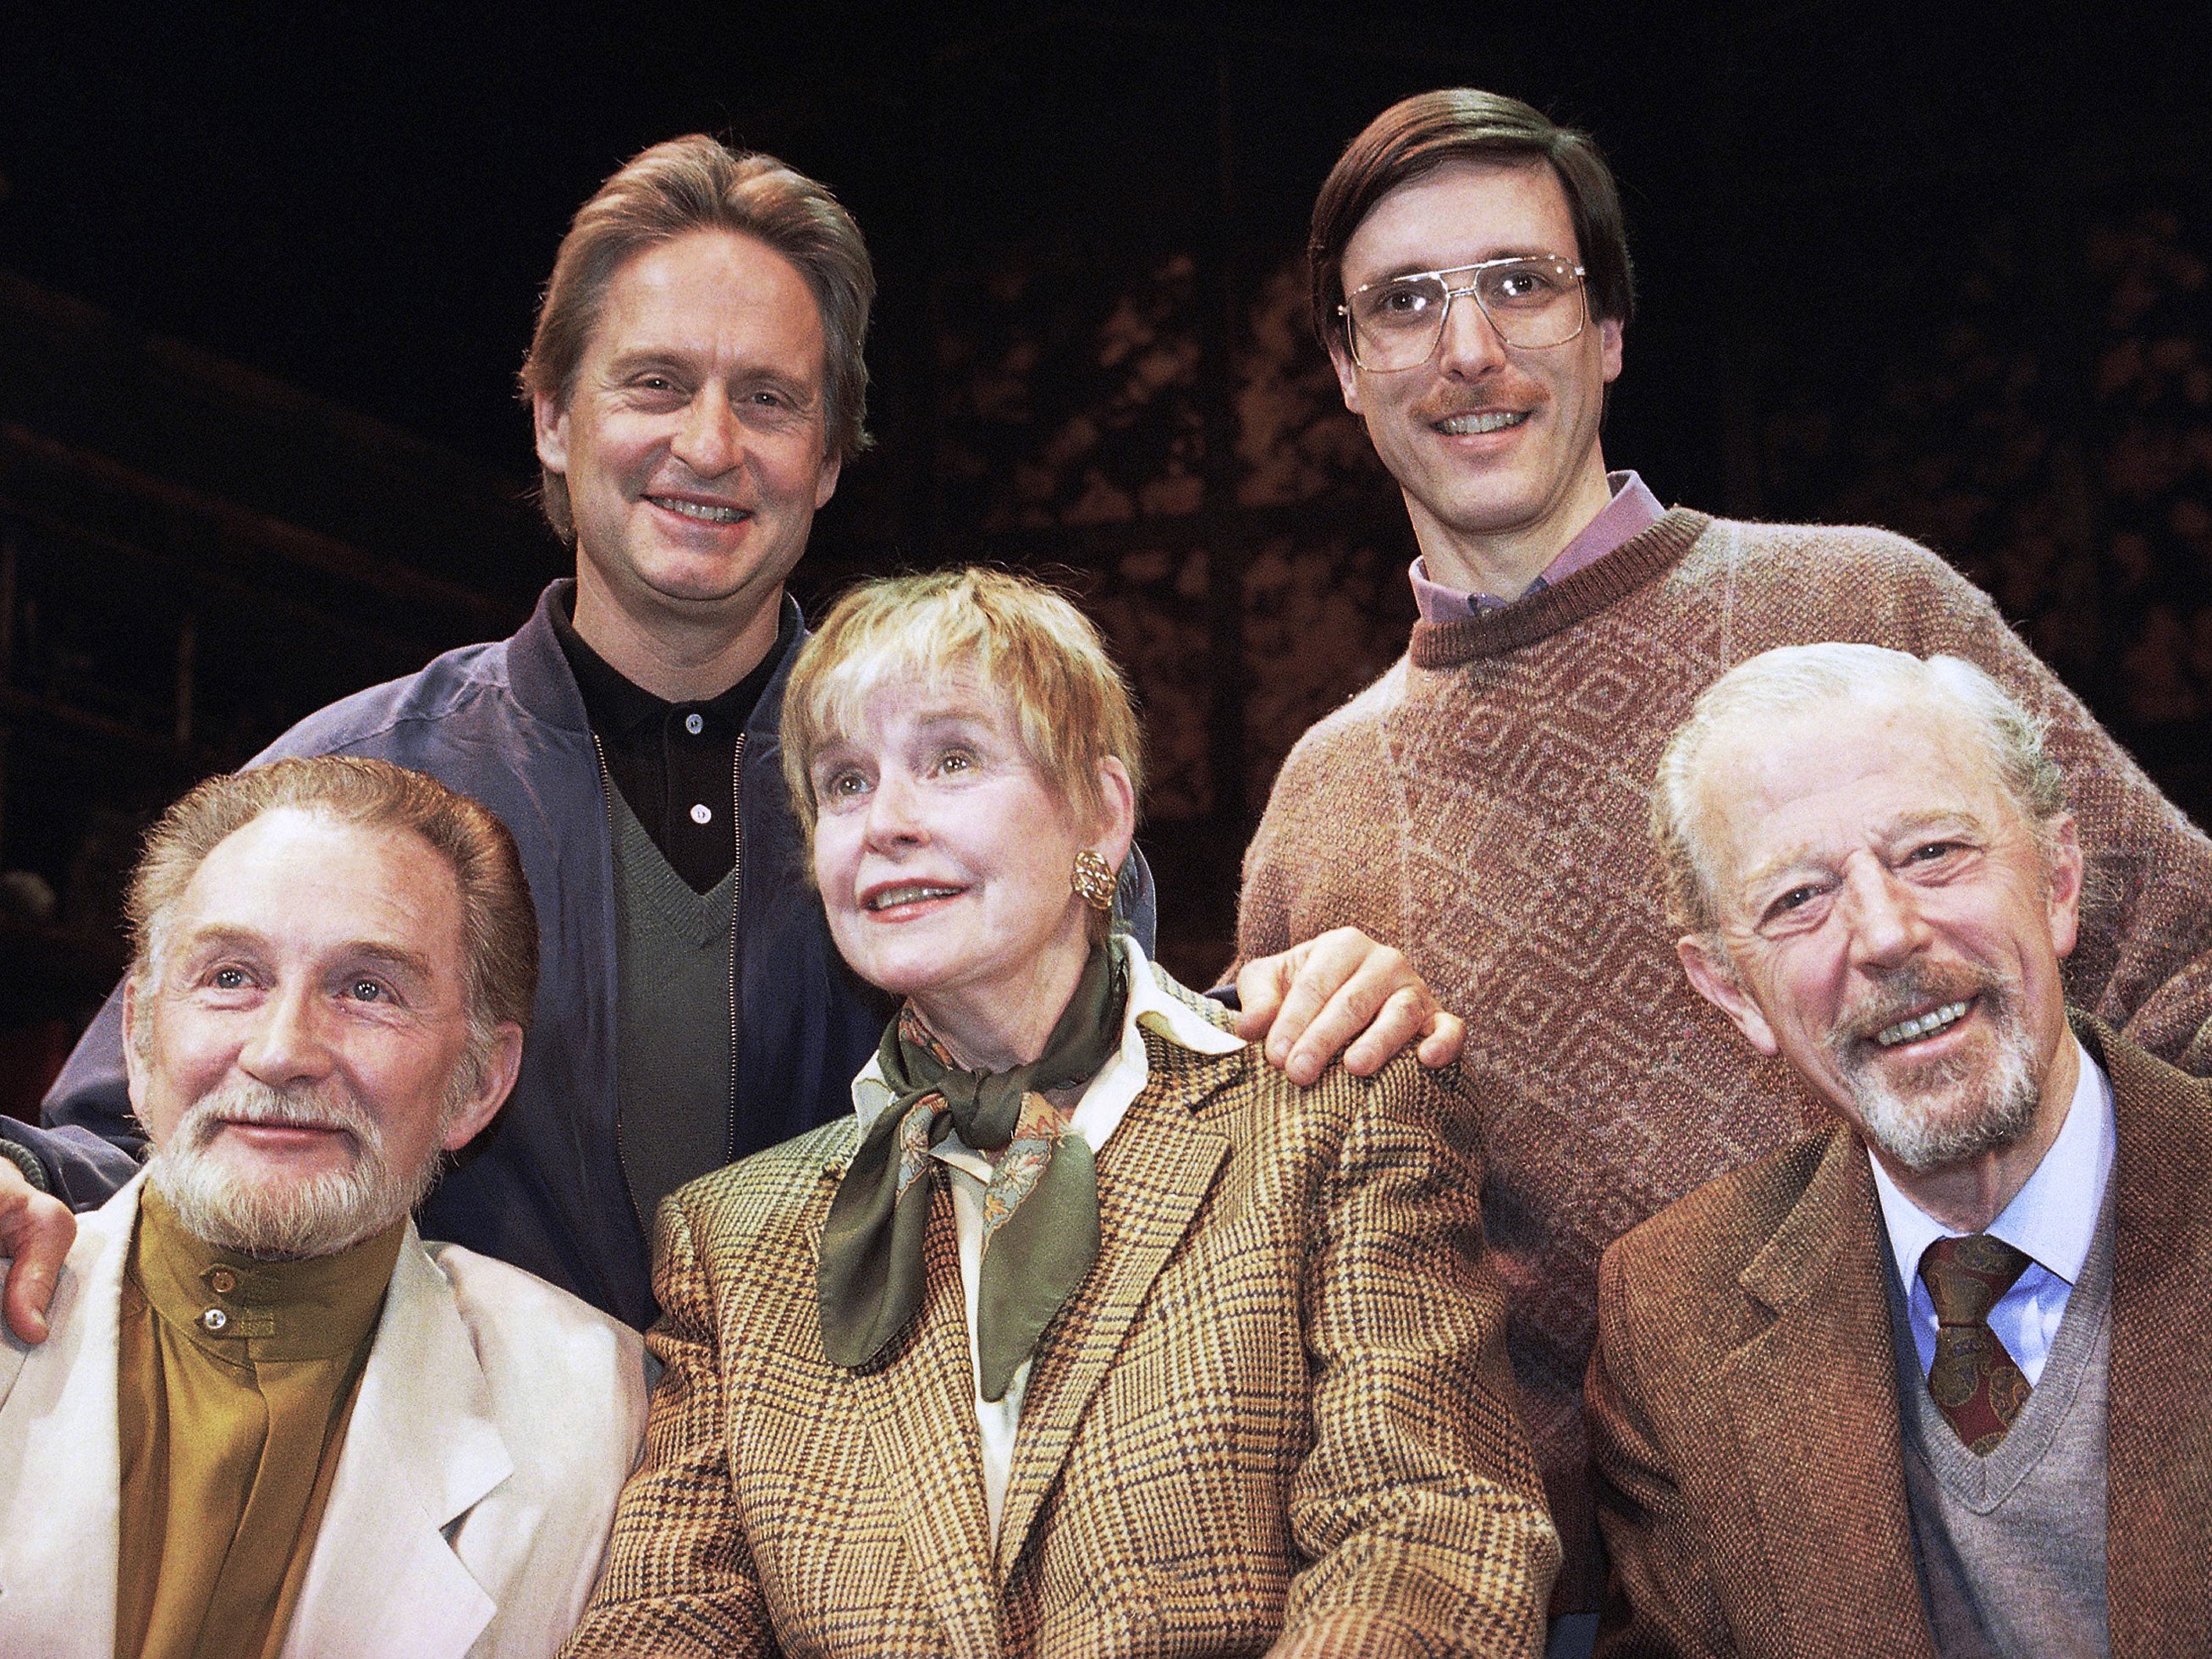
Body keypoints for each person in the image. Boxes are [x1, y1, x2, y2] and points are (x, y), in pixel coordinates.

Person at [18, 135, 1459, 1337]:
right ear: (549, 420)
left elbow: (1123, 1131)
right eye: (653, 384)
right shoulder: (346, 792)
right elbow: (136, 1136)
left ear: (827, 460)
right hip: (466, 1530)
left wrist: (1293, 1018)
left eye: (768, 401)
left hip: (871, 1564)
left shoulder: (979, 812)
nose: (708, 446)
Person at [1234, 86, 2212, 1629]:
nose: (1467, 350)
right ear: (1345, 370)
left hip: (2057, 1467)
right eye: (1402, 304)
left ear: (1606, 329)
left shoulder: (1862, 605)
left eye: (1518, 285)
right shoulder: (1322, 804)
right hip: (1625, 1594)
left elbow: (2186, 974)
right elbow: (1332, 1292)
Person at [563, 568, 1559, 1656]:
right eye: (844, 783)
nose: (886, 822)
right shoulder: (734, 1239)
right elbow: (666, 1619)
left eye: (950, 761)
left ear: (1100, 812)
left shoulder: (1329, 1113)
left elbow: (1428, 1537)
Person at [1584, 644, 2210, 1657]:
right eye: (1797, 898)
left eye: (1931, 852)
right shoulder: (1673, 1317)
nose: (1883, 933)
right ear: (1732, 991)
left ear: (2056, 882)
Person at [0, 756, 647, 1659]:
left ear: (480, 1084)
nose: (281, 1051)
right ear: (140, 1040)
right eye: (230, 976)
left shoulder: (608, 1414)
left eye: (367, 989)